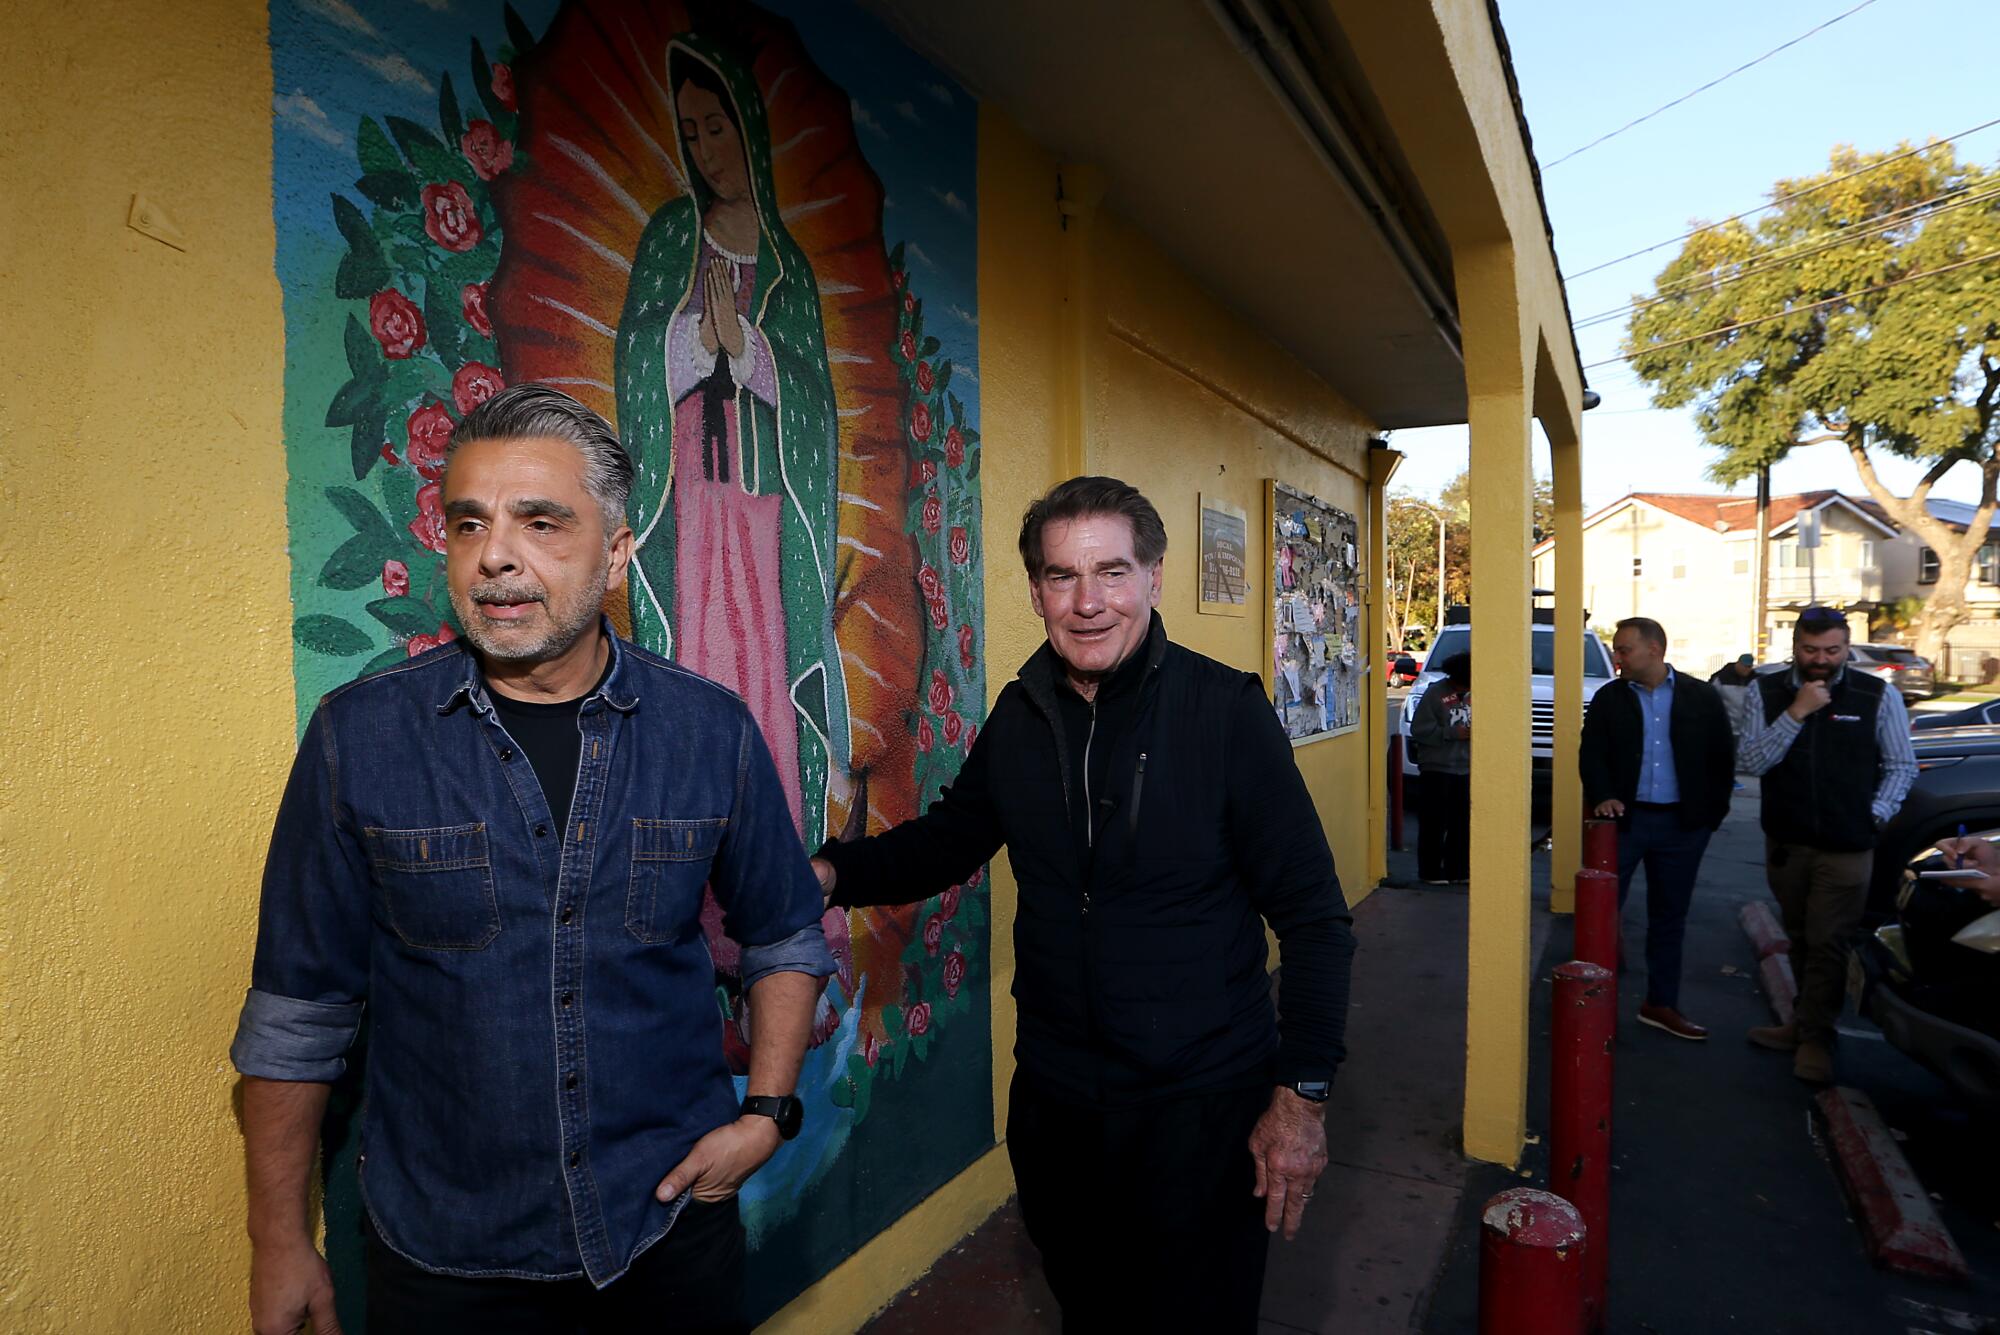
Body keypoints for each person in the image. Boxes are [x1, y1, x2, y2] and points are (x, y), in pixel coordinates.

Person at [232, 386, 833, 1335]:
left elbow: (786, 932)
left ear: (617, 552)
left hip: (664, 1238)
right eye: (470, 523)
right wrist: (280, 1239)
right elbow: (295, 1017)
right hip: (444, 1264)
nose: (496, 555)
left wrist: (766, 1114)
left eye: (541, 522)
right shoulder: (363, 738)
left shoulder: (707, 730)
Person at [811, 477, 1356, 1333]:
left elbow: (1318, 921)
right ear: (1036, 592)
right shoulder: (1024, 713)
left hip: (1202, 1109)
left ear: (1154, 577)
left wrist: (1301, 1099)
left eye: (1111, 571)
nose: (1089, 601)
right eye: (1063, 576)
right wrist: (833, 873)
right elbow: (950, 840)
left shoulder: (1226, 713)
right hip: (1060, 1106)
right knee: (1091, 1314)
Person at [1735, 606, 1917, 1084]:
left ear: (1846, 645)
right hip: (1787, 843)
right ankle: (1803, 1021)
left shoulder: (1876, 694)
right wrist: (1797, 712)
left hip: (1847, 847)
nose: (1821, 659)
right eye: (1810, 650)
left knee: (1829, 942)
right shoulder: (1767, 690)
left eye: (1832, 650)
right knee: (1800, 936)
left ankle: (1817, 1039)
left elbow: (1902, 766)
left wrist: (1873, 815)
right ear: (1795, 645)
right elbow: (1752, 761)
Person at [1579, 618, 1737, 1040]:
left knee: (1669, 918)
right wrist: (1603, 795)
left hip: (1682, 827)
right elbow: (1591, 754)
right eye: (1617, 649)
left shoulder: (1700, 696)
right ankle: (1592, 1006)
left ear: (1655, 650)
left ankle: (1660, 1004)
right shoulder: (1609, 698)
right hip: (1623, 824)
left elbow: (1723, 757)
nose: (1617, 657)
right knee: (1601, 913)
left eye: (1625, 650)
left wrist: (1709, 817)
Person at [1409, 652, 1472, 884]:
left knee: (1462, 823)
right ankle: (1430, 872)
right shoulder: (1435, 693)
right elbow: (1419, 729)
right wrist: (1451, 733)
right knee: (1433, 823)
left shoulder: (1479, 693)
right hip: (1436, 768)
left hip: (1467, 769)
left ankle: (1459, 871)